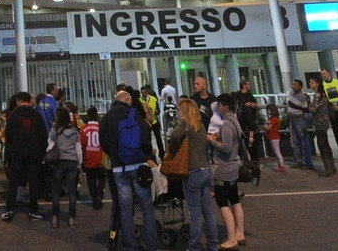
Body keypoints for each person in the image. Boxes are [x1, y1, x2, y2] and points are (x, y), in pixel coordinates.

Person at [100, 90, 159, 251]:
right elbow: (145, 137)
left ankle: (130, 245)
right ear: (127, 99)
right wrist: (146, 153)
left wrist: (114, 154)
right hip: (138, 164)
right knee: (146, 205)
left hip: (119, 167)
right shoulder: (133, 114)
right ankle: (152, 244)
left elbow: (103, 143)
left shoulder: (106, 118)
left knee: (125, 208)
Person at [167, 98, 219, 251]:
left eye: (179, 109)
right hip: (205, 170)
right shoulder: (200, 125)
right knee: (208, 212)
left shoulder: (185, 124)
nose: (177, 112)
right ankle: (212, 245)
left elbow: (174, 136)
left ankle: (195, 246)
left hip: (193, 171)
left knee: (194, 212)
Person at [1, 91, 48, 223]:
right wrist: (41, 153)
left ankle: (9, 210)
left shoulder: (13, 115)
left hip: (17, 154)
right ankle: (33, 211)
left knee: (13, 182)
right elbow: (43, 136)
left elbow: (8, 136)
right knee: (33, 183)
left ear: (19, 100)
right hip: (34, 154)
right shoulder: (37, 115)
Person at [209, 94, 246, 249]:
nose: (218, 107)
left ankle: (231, 239)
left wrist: (212, 141)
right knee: (235, 200)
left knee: (222, 202)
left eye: (219, 104)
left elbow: (226, 147)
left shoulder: (227, 124)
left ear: (225, 106)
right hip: (234, 165)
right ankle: (240, 233)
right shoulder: (235, 121)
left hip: (225, 167)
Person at [48, 106, 82, 228]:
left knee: (56, 190)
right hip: (72, 162)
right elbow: (78, 149)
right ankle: (72, 218)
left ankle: (54, 217)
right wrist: (79, 164)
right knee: (72, 191)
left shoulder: (56, 130)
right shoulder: (74, 131)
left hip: (59, 161)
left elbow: (49, 142)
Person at [309, 78, 337, 177]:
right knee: (326, 144)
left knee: (322, 144)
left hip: (320, 122)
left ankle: (328, 168)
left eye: (312, 82)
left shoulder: (318, 95)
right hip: (324, 121)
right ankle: (332, 167)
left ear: (317, 84)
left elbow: (313, 110)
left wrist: (308, 104)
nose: (310, 84)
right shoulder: (323, 94)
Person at [79, 106, 106, 210]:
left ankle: (95, 196)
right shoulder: (101, 128)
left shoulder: (84, 129)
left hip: (89, 157)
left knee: (91, 179)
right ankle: (100, 192)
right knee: (102, 177)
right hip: (100, 157)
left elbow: (81, 144)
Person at [286, 79, 314, 170]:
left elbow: (306, 112)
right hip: (292, 119)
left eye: (296, 84)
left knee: (303, 141)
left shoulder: (303, 97)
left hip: (299, 119)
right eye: (293, 84)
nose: (293, 86)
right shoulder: (292, 94)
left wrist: (305, 124)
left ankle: (308, 162)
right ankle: (298, 160)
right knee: (294, 141)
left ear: (300, 86)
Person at [233, 79, 261, 161]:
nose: (250, 86)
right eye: (248, 84)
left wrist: (252, 104)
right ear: (244, 85)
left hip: (251, 119)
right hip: (242, 121)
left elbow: (256, 105)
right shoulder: (238, 95)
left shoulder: (250, 95)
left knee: (252, 143)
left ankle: (254, 160)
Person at [139, 84, 164, 158]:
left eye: (144, 92)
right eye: (142, 92)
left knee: (158, 138)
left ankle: (162, 154)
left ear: (147, 92)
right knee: (148, 139)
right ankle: (151, 155)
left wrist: (157, 111)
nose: (143, 94)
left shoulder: (153, 99)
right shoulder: (140, 100)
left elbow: (158, 109)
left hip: (154, 121)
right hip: (146, 122)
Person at [265, 104, 285, 171]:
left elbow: (269, 128)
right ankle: (279, 164)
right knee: (276, 151)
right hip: (272, 136)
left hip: (274, 136)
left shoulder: (274, 119)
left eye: (269, 110)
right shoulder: (272, 118)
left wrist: (264, 127)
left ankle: (281, 165)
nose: (267, 111)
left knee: (277, 151)